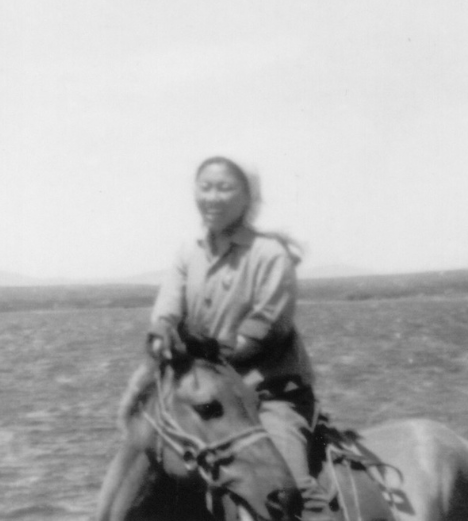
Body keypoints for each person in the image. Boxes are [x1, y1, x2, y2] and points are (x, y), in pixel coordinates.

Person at [119, 155, 332, 521]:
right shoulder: (189, 252)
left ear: (248, 197)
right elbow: (167, 310)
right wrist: (161, 336)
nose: (213, 197)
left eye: (225, 188)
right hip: (210, 399)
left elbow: (264, 328)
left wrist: (203, 352)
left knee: (285, 492)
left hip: (270, 396)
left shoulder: (269, 255)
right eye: (205, 187)